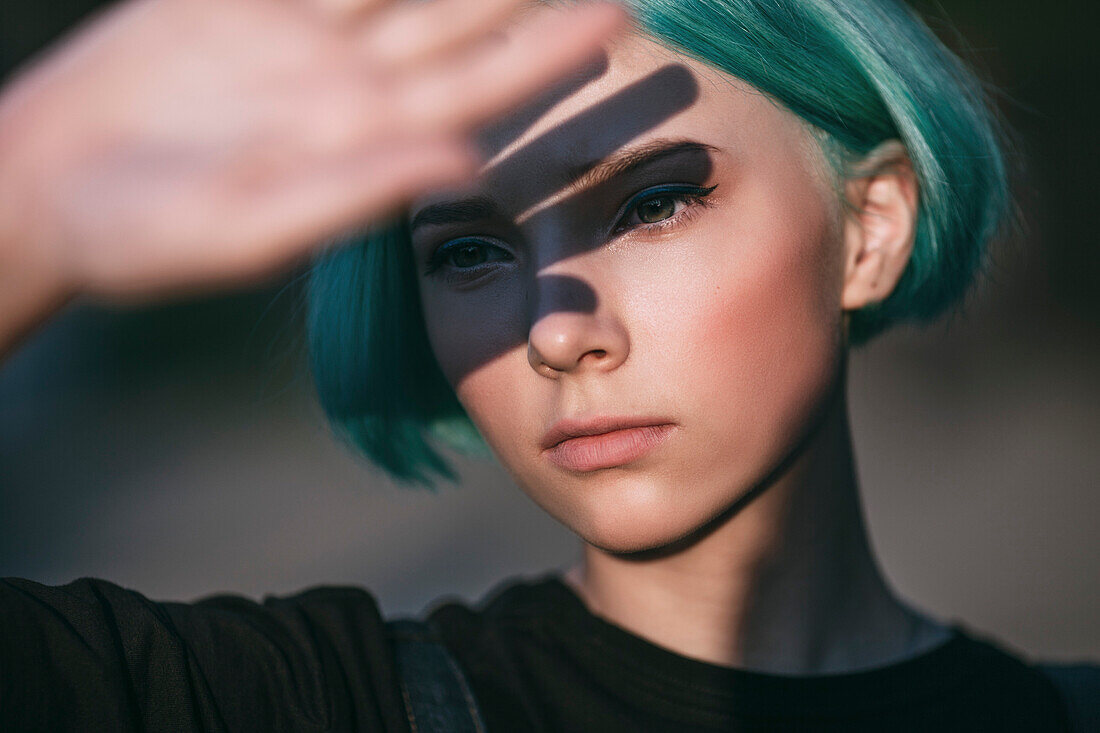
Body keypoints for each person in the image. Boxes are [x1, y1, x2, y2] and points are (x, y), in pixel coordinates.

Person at [0, 0, 1096, 731]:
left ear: (870, 228)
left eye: (653, 201)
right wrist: (27, 195)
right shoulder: (302, 703)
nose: (557, 331)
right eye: (470, 252)